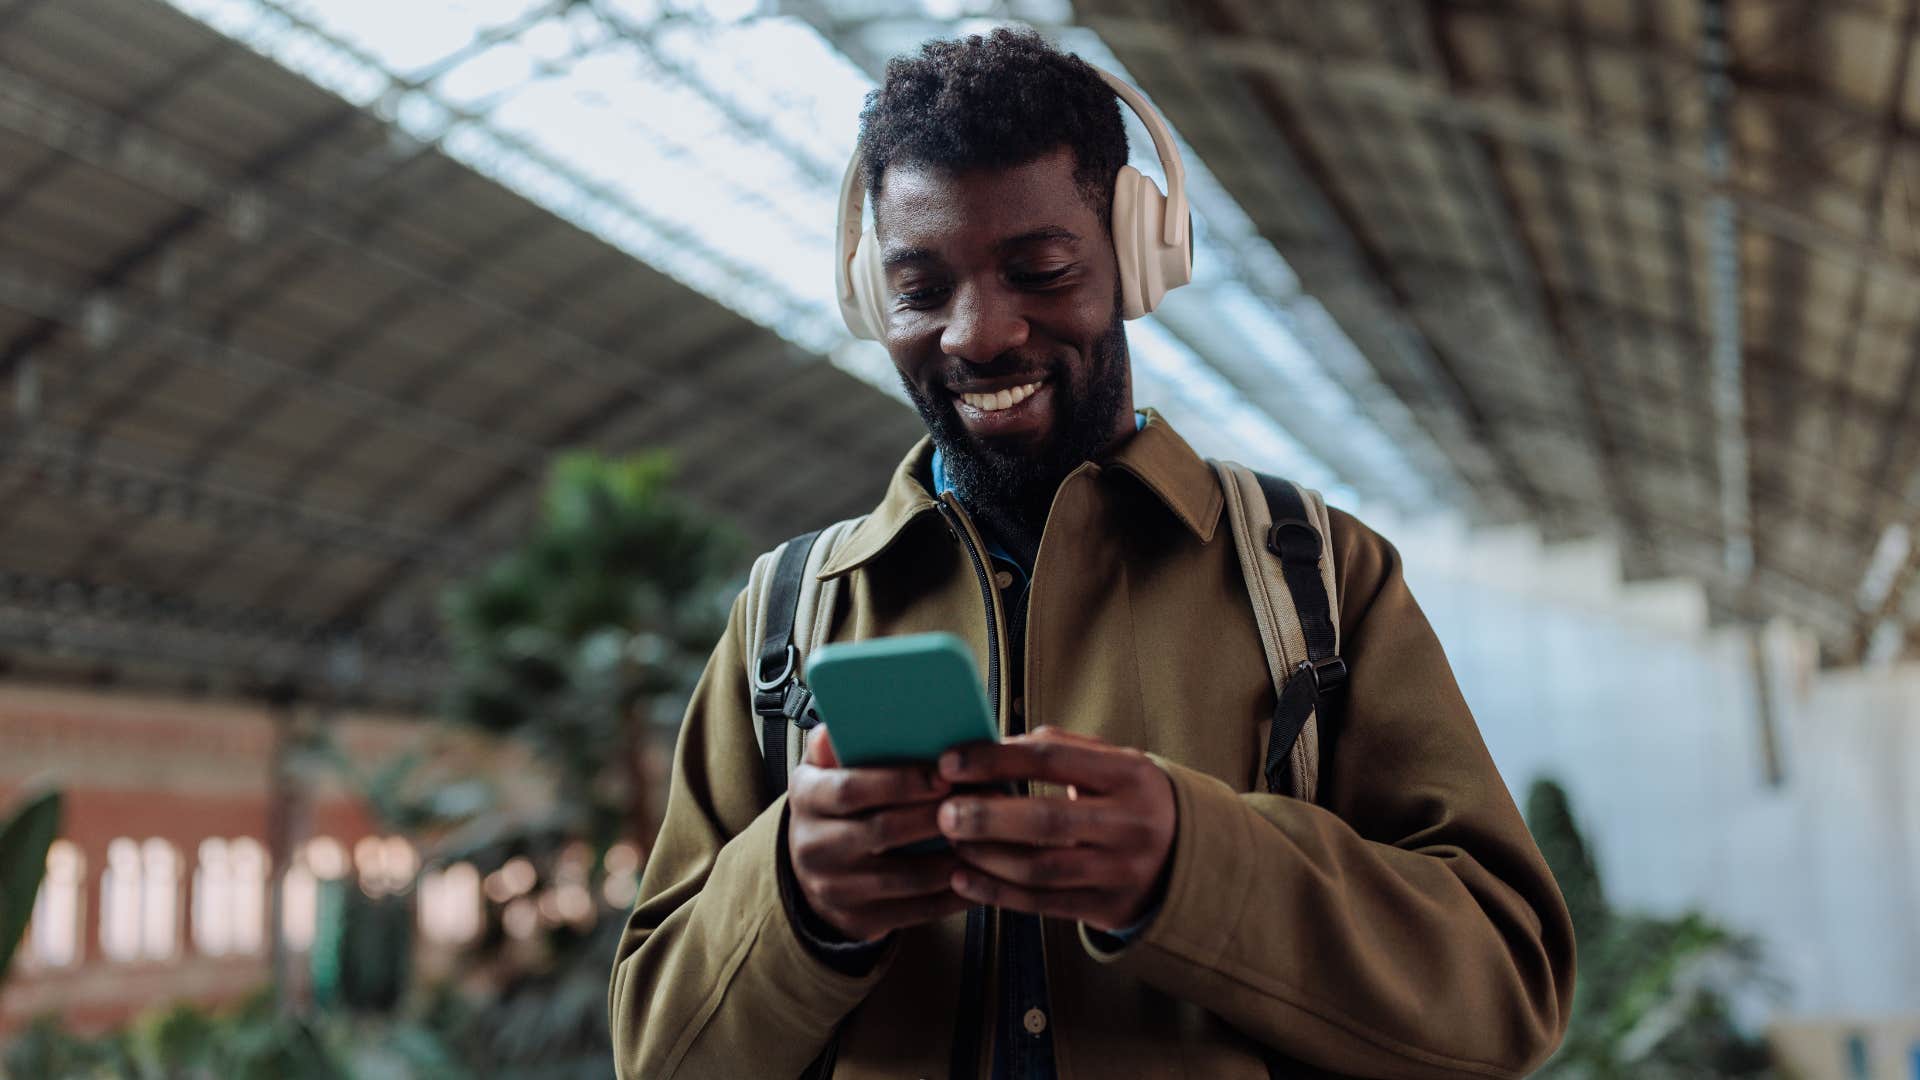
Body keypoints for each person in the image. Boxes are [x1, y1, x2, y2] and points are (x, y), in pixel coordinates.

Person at [609, 28, 1573, 1080]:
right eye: (920, 289)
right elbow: (657, 1057)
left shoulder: (1318, 582)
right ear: (866, 292)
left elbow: (1505, 994)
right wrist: (794, 903)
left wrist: (1193, 868)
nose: (977, 334)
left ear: (1139, 255)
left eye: (1041, 269)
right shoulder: (788, 613)